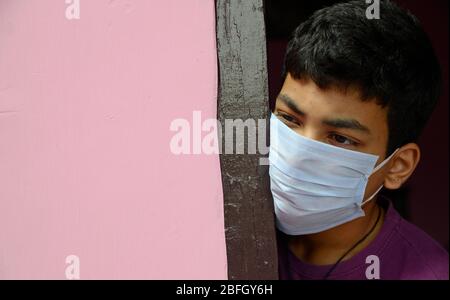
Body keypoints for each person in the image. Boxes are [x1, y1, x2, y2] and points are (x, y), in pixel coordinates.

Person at [269, 0, 449, 280]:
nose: (296, 156)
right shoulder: (227, 227)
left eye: (340, 138)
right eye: (289, 118)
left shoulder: (428, 273)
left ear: (397, 166)